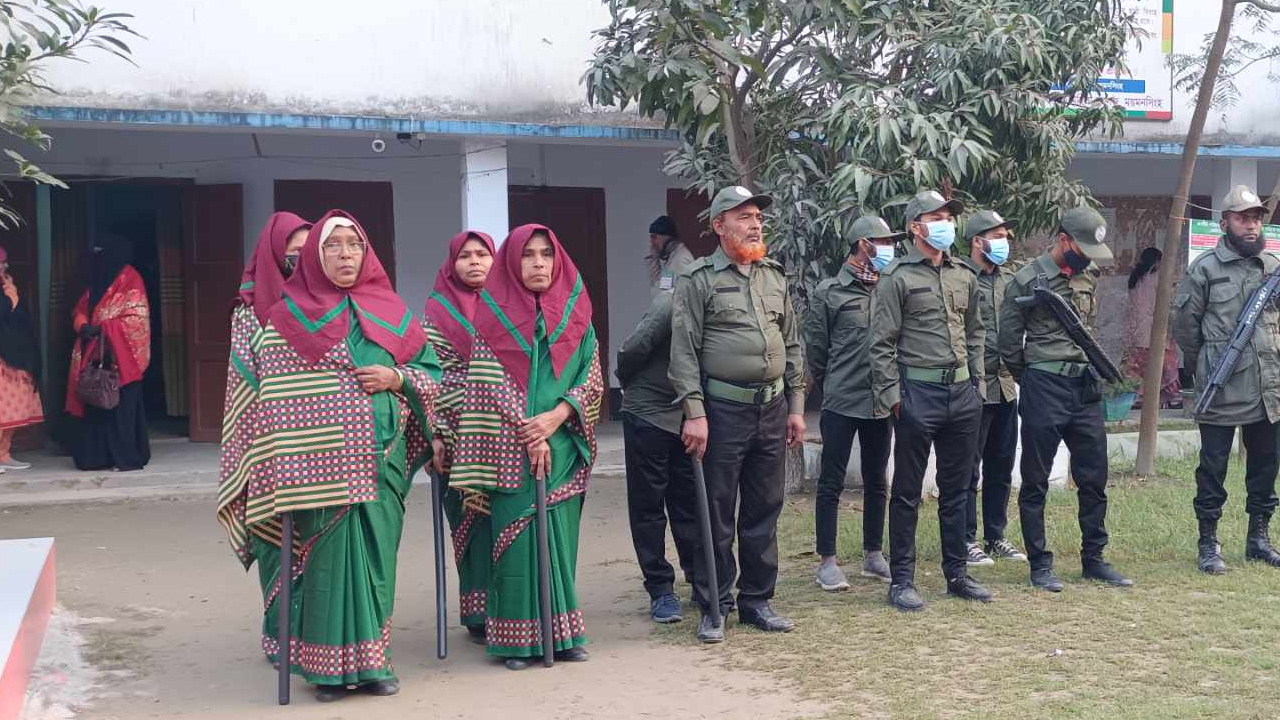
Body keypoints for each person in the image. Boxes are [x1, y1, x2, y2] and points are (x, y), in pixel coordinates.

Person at [224, 210, 442, 702]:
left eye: (354, 244)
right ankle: (327, 673)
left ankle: (375, 664)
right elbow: (274, 398)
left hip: (382, 462)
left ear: (367, 253)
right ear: (315, 257)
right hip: (317, 469)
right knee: (326, 567)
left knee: (377, 565)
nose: (345, 254)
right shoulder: (285, 319)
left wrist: (396, 378)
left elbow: (432, 374)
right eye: (333, 246)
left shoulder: (393, 311)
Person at [449, 224, 604, 670]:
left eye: (546, 254)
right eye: (528, 255)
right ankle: (516, 642)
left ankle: (563, 635)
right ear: (512, 263)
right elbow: (488, 386)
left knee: (559, 540)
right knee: (516, 545)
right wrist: (531, 433)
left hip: (564, 443)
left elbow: (591, 376)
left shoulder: (577, 315)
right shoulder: (491, 320)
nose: (538, 263)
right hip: (510, 449)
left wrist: (557, 417)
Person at [669, 185, 806, 642]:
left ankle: (757, 601)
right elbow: (683, 352)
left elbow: (792, 344)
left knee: (765, 507)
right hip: (722, 410)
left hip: (772, 407)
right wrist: (694, 413)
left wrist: (796, 407)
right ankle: (715, 604)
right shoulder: (698, 279)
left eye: (758, 218)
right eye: (743, 217)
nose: (755, 225)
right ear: (719, 226)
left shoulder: (773, 276)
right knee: (716, 510)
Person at [999, 206, 1133, 592]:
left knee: (1094, 477)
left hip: (1084, 385)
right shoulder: (1027, 280)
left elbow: (1087, 329)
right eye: (1084, 249)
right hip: (1045, 385)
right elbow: (1009, 341)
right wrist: (1033, 376)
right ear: (1063, 240)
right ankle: (1040, 564)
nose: (1089, 258)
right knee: (1036, 479)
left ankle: (1095, 559)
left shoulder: (1087, 275)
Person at [869, 189, 989, 611]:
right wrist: (894, 397)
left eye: (948, 217)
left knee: (958, 490)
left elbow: (975, 331)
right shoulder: (896, 277)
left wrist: (977, 385)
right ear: (915, 227)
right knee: (907, 491)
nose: (946, 224)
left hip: (962, 394)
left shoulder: (964, 275)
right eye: (936, 218)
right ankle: (902, 580)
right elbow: (881, 343)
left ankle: (957, 574)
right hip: (917, 394)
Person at [1174, 185, 1280, 574]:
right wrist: (1207, 362)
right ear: (1224, 224)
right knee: (1212, 468)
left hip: (1268, 386)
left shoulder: (1271, 266)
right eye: (1242, 218)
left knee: (1266, 465)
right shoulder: (1205, 268)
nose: (1251, 225)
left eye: (1256, 219)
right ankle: (1208, 542)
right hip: (1221, 385)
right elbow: (1186, 329)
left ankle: (1259, 539)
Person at [215, 212, 310, 606]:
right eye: (293, 252)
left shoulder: (328, 306)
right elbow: (246, 388)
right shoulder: (249, 314)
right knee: (276, 538)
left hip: (322, 444)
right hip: (269, 445)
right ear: (272, 255)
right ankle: (279, 628)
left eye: (309, 252)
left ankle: (316, 631)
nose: (301, 261)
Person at [805, 215, 900, 590]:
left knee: (878, 480)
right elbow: (817, 350)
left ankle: (873, 554)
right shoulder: (829, 292)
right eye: (883, 242)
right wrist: (834, 382)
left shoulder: (890, 287)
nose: (889, 248)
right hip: (842, 401)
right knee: (831, 481)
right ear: (863, 245)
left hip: (881, 401)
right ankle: (827, 561)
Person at [422, 230, 497, 642]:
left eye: (482, 254)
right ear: (452, 264)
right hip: (452, 435)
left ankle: (509, 607)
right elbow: (429, 376)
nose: (474, 262)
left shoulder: (510, 305)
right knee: (469, 524)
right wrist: (433, 432)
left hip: (501, 433)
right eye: (465, 256)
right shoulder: (436, 311)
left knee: (502, 521)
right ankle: (478, 612)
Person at [617, 280, 700, 623]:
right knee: (649, 505)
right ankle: (660, 588)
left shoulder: (718, 302)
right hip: (649, 412)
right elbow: (631, 350)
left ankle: (700, 577)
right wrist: (629, 383)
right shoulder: (671, 302)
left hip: (692, 415)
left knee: (690, 502)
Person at [962, 210, 1027, 566]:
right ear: (977, 241)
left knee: (1001, 465)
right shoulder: (960, 277)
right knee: (967, 468)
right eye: (997, 237)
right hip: (974, 386)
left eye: (1005, 237)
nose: (1004, 243)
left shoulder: (1010, 281)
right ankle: (965, 538)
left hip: (1005, 385)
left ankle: (996, 536)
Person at [66, 237, 151, 471]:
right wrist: (83, 326)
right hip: (94, 357)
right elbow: (80, 308)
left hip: (122, 360)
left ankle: (125, 458)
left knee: (121, 410)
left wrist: (104, 329)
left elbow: (136, 317)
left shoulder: (130, 278)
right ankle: (95, 458)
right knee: (94, 404)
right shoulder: (96, 279)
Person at [0, 245, 42, 472]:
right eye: (1, 262)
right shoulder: (8, 292)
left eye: (4, 262)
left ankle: (3, 454)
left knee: (12, 409)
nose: (5, 266)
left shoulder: (7, 286)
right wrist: (10, 298)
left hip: (13, 357)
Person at [1128, 247, 1181, 407]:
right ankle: (1172, 398)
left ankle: (1139, 398)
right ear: (1157, 262)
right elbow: (1169, 303)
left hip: (1136, 329)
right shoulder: (1159, 277)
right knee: (1166, 365)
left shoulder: (1135, 278)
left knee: (1140, 367)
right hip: (1155, 328)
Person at [647, 215, 695, 295]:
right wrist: (654, 263)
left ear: (666, 236)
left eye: (654, 237)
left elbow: (688, 294)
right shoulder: (671, 260)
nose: (652, 242)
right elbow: (661, 292)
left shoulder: (682, 259)